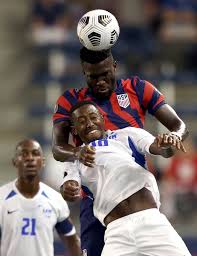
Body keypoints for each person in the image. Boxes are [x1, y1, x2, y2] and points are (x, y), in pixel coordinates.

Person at [52, 47, 188, 256]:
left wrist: (172, 140)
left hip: (145, 213)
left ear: (114, 66)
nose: (100, 82)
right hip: (101, 208)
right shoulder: (76, 147)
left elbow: (170, 139)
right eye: (93, 77)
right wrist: (71, 177)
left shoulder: (130, 124)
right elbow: (58, 151)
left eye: (105, 74)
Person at [61, 100, 191, 256]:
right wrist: (68, 189)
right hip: (116, 234)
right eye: (82, 122)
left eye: (93, 117)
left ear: (102, 118)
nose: (89, 124)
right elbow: (68, 186)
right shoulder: (74, 158)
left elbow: (162, 150)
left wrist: (166, 145)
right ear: (75, 131)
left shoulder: (128, 135)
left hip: (150, 223)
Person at [0, 139, 81, 256]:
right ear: (14, 162)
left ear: (43, 162)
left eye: (35, 153)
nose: (30, 158)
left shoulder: (55, 199)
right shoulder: (1, 198)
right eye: (24, 154)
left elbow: (72, 241)